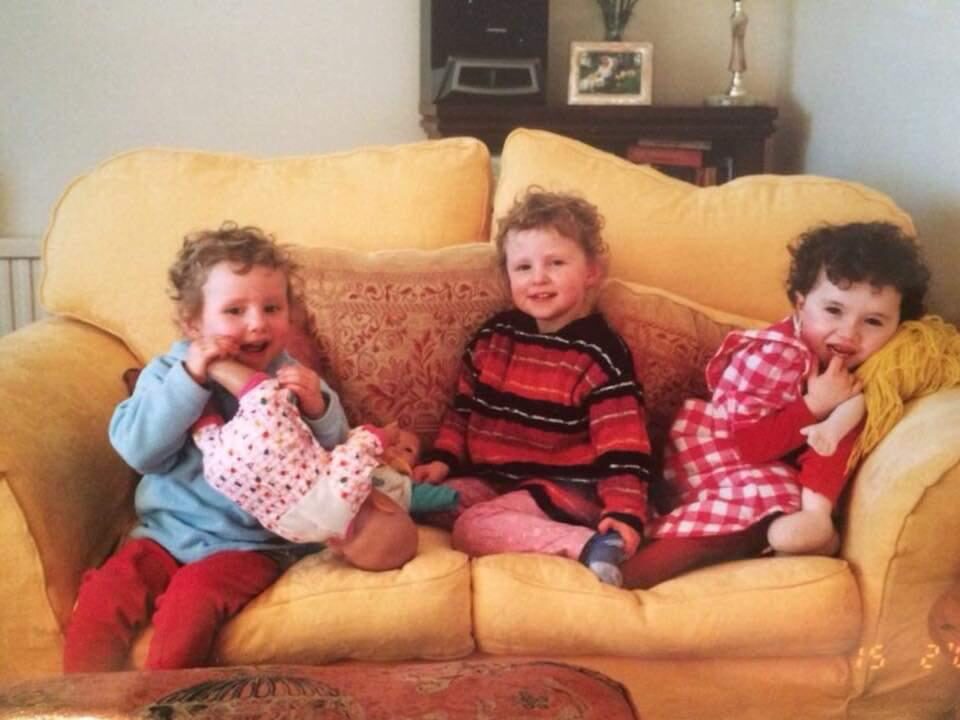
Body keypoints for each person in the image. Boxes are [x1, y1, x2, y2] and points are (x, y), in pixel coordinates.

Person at [63, 223, 350, 672]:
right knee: (104, 595)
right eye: (235, 310)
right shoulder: (167, 373)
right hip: (164, 535)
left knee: (193, 601)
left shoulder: (289, 376)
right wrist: (191, 380)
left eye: (272, 307)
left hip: (252, 546)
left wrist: (319, 406)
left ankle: (165, 703)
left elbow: (329, 462)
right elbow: (138, 451)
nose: (257, 322)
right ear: (193, 322)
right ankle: (80, 702)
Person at [621, 221, 931, 590]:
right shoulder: (778, 354)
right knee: (719, 532)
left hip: (767, 476)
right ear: (801, 304)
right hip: (721, 459)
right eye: (833, 310)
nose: (849, 333)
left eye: (874, 321)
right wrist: (814, 405)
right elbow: (750, 445)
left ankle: (790, 538)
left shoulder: (873, 370)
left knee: (759, 519)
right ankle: (627, 581)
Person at [412, 188, 654, 587]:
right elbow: (463, 411)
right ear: (507, 276)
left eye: (555, 263)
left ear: (591, 270)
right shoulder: (494, 337)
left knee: (473, 528)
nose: (538, 278)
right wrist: (442, 461)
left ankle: (593, 546)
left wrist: (625, 511)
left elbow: (624, 448)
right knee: (421, 503)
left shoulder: (600, 354)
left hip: (571, 491)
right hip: (497, 483)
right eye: (523, 267)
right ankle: (512, 524)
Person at [192, 357, 419, 572]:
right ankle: (197, 392)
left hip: (265, 440)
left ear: (386, 505)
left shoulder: (350, 493)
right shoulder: (302, 535)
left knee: (263, 391)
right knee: (207, 434)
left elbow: (357, 449)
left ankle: (211, 364)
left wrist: (383, 436)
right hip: (221, 471)